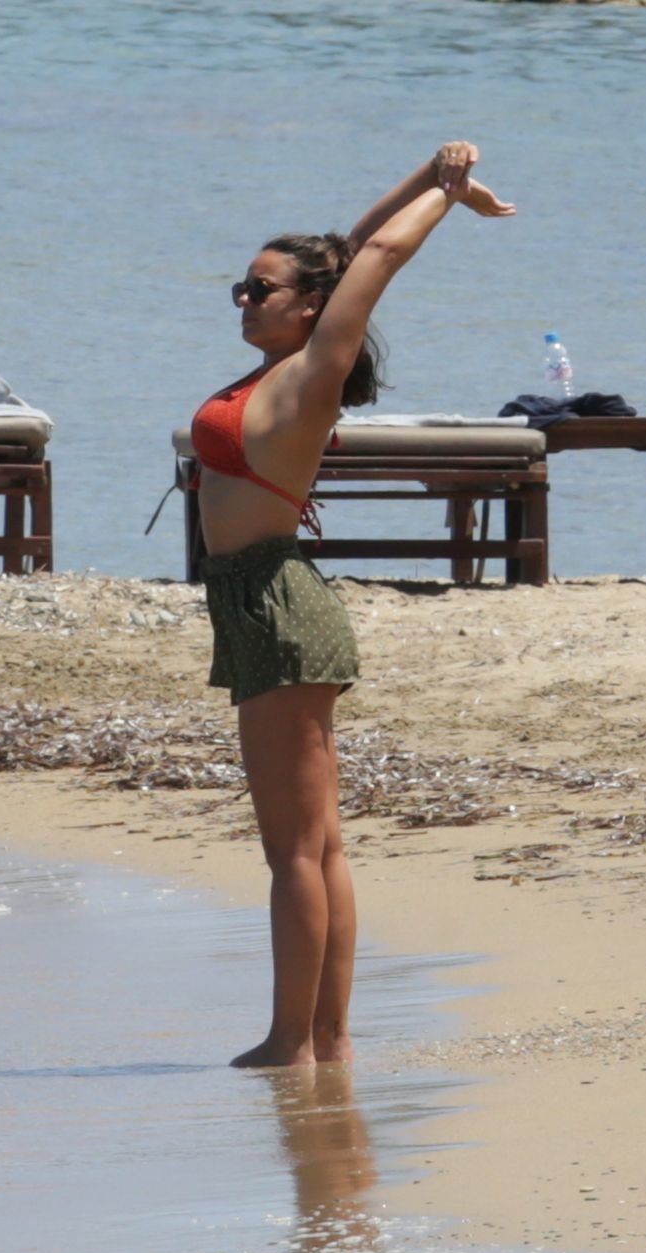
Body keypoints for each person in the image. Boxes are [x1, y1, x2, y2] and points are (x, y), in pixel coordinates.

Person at [192, 141, 515, 1069]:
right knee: (319, 845)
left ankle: (290, 1041)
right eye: (241, 288)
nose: (243, 300)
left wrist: (448, 198)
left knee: (294, 851)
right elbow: (353, 247)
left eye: (260, 289)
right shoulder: (279, 369)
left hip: (275, 602)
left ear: (307, 307)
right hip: (263, 602)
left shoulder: (311, 373)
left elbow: (375, 258)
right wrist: (428, 174)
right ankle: (326, 1040)